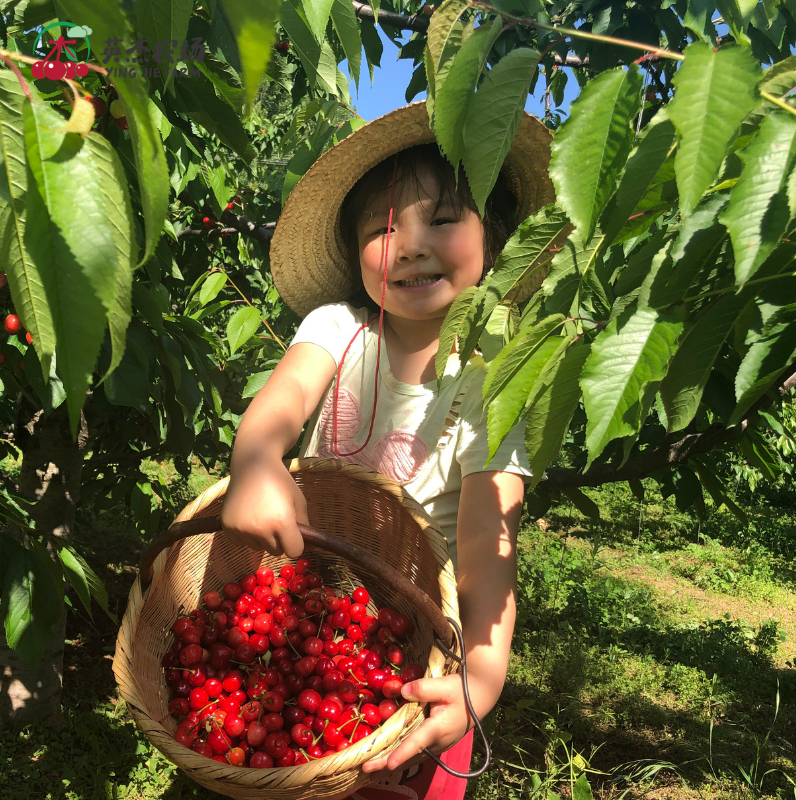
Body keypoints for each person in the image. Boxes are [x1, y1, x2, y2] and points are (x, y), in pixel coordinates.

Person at [220, 102, 554, 799]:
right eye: (381, 229)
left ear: (490, 238)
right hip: (308, 606)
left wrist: (480, 676)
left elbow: (488, 545)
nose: (408, 245)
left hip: (423, 643)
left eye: (441, 219)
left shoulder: (495, 378)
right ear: (354, 255)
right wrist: (256, 462)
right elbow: (279, 404)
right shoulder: (337, 328)